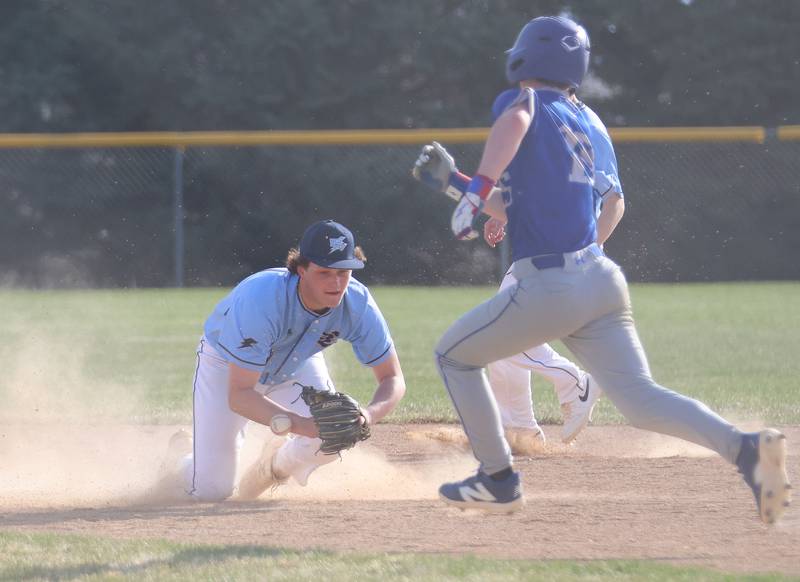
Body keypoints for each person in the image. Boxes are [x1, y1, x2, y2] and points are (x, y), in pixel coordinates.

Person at [429, 15, 790, 523]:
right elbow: (523, 208)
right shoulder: (585, 121)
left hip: (551, 283)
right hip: (599, 279)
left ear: (525, 57)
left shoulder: (525, 101)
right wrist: (457, 185)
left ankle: (497, 478)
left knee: (453, 357)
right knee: (641, 400)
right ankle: (747, 450)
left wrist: (478, 185)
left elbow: (517, 118)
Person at [413, 87, 625, 453]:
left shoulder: (578, 123)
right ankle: (519, 429)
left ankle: (575, 383)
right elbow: (540, 196)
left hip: (562, 255)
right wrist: (504, 216)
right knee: (501, 340)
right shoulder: (553, 118)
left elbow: (615, 201)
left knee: (498, 335)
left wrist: (589, 251)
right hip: (545, 249)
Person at [162, 219, 406, 502]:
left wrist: (368, 415)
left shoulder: (358, 303)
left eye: (344, 272)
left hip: (296, 364)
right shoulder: (263, 301)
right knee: (211, 490)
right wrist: (299, 424)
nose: (337, 283)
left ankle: (270, 468)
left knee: (336, 433)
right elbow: (240, 395)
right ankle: (182, 457)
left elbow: (393, 378)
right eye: (324, 272)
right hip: (226, 366)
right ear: (301, 269)